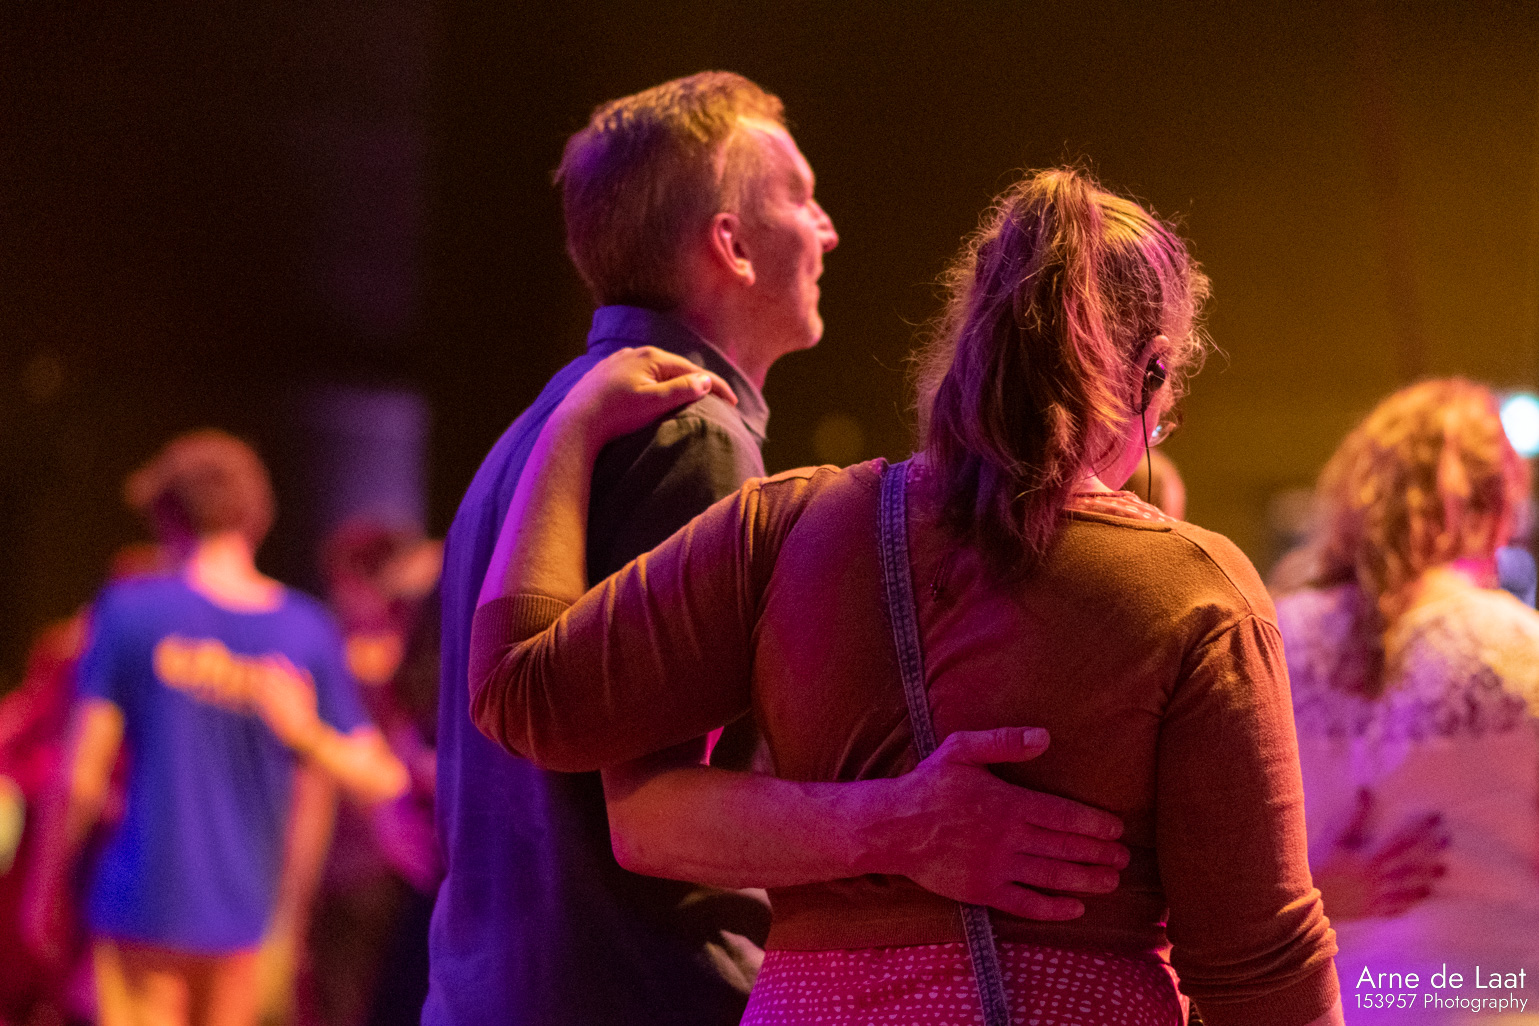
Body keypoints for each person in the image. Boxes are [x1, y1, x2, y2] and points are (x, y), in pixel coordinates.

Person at [469, 167, 1344, 1025]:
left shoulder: (785, 527)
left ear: (970, 340)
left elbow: (520, 692)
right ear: (1150, 373)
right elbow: (1258, 963)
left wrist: (568, 433)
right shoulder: (1197, 590)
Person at [425, 73, 1131, 1026]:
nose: (827, 230)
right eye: (800, 197)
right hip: (636, 995)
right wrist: (909, 824)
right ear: (732, 245)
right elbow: (653, 807)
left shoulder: (543, 424)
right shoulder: (688, 433)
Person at [22, 429, 409, 1026]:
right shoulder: (304, 629)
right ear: (257, 518)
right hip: (247, 916)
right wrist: (307, 734)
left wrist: (44, 888)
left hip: (139, 903)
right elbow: (383, 778)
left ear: (168, 518)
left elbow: (81, 778)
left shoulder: (129, 611)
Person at [1274, 379, 1539, 1022]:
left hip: (1334, 1004)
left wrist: (1315, 890)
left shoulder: (1272, 641)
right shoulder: (1522, 650)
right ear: (1500, 509)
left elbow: (1210, 861)